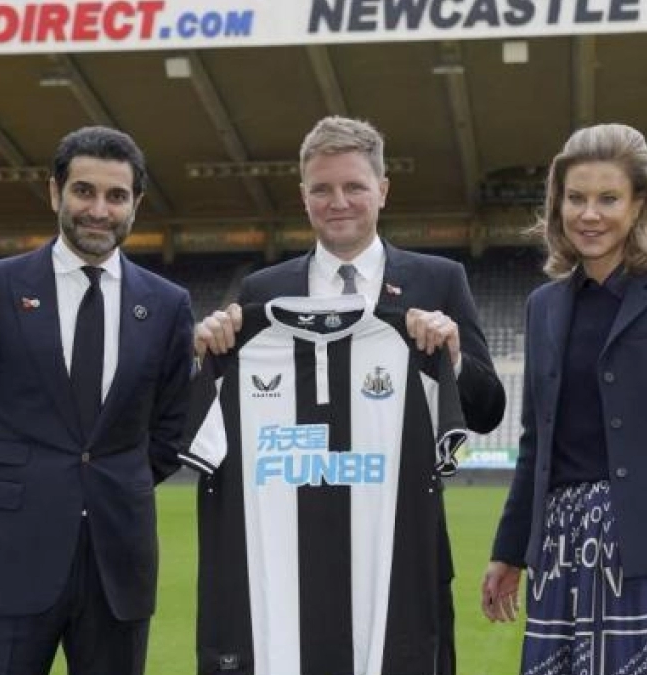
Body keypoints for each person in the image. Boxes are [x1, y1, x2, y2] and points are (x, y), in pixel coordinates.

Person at [195, 115, 506, 674]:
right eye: (322, 189)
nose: (338, 202)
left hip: (401, 561)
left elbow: (487, 412)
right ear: (304, 196)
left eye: (354, 186)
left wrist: (452, 354)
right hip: (290, 564)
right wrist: (208, 350)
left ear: (382, 191)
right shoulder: (265, 291)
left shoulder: (439, 279)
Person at [0, 126, 193, 675]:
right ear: (55, 193)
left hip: (118, 562)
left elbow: (174, 426)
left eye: (116, 196)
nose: (98, 210)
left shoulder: (167, 305)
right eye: (84, 191)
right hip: (5, 556)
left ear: (136, 204)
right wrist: (4, 494)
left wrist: (118, 480)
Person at [481, 122, 647, 675]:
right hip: (560, 548)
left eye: (608, 199)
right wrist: (509, 552)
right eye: (575, 199)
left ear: (640, 203)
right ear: (558, 205)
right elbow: (535, 441)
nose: (589, 214)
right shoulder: (543, 307)